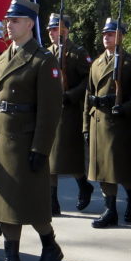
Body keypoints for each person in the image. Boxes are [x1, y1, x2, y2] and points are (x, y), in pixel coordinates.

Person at [0, 0, 64, 261]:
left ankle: (50, 245)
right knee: (4, 204)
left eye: (15, 20)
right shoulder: (1, 59)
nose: (9, 24)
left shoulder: (43, 60)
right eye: (8, 20)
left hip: (24, 140)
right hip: (0, 138)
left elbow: (50, 110)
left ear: (30, 24)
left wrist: (41, 148)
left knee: (30, 203)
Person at [84, 18, 131, 227]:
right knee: (102, 169)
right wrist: (86, 126)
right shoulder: (97, 63)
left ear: (121, 37)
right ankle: (110, 209)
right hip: (98, 121)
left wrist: (125, 107)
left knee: (119, 168)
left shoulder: (129, 63)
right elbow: (88, 95)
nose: (106, 38)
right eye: (104, 34)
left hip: (118, 123)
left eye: (110, 34)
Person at [47, 13, 93, 214]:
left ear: (66, 31)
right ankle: (52, 201)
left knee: (70, 157)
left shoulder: (77, 53)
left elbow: (88, 81)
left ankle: (84, 185)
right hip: (51, 110)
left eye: (56, 29)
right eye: (50, 30)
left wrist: (71, 95)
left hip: (70, 112)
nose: (52, 33)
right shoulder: (47, 53)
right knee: (49, 158)